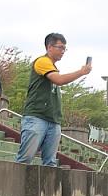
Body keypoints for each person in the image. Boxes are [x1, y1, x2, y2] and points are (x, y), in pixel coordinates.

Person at [15, 33, 91, 166]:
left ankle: (47, 187)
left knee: (50, 162)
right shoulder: (42, 62)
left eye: (64, 49)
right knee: (25, 159)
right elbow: (59, 80)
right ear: (49, 47)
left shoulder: (53, 66)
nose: (63, 52)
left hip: (53, 119)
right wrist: (81, 72)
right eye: (60, 47)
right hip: (36, 116)